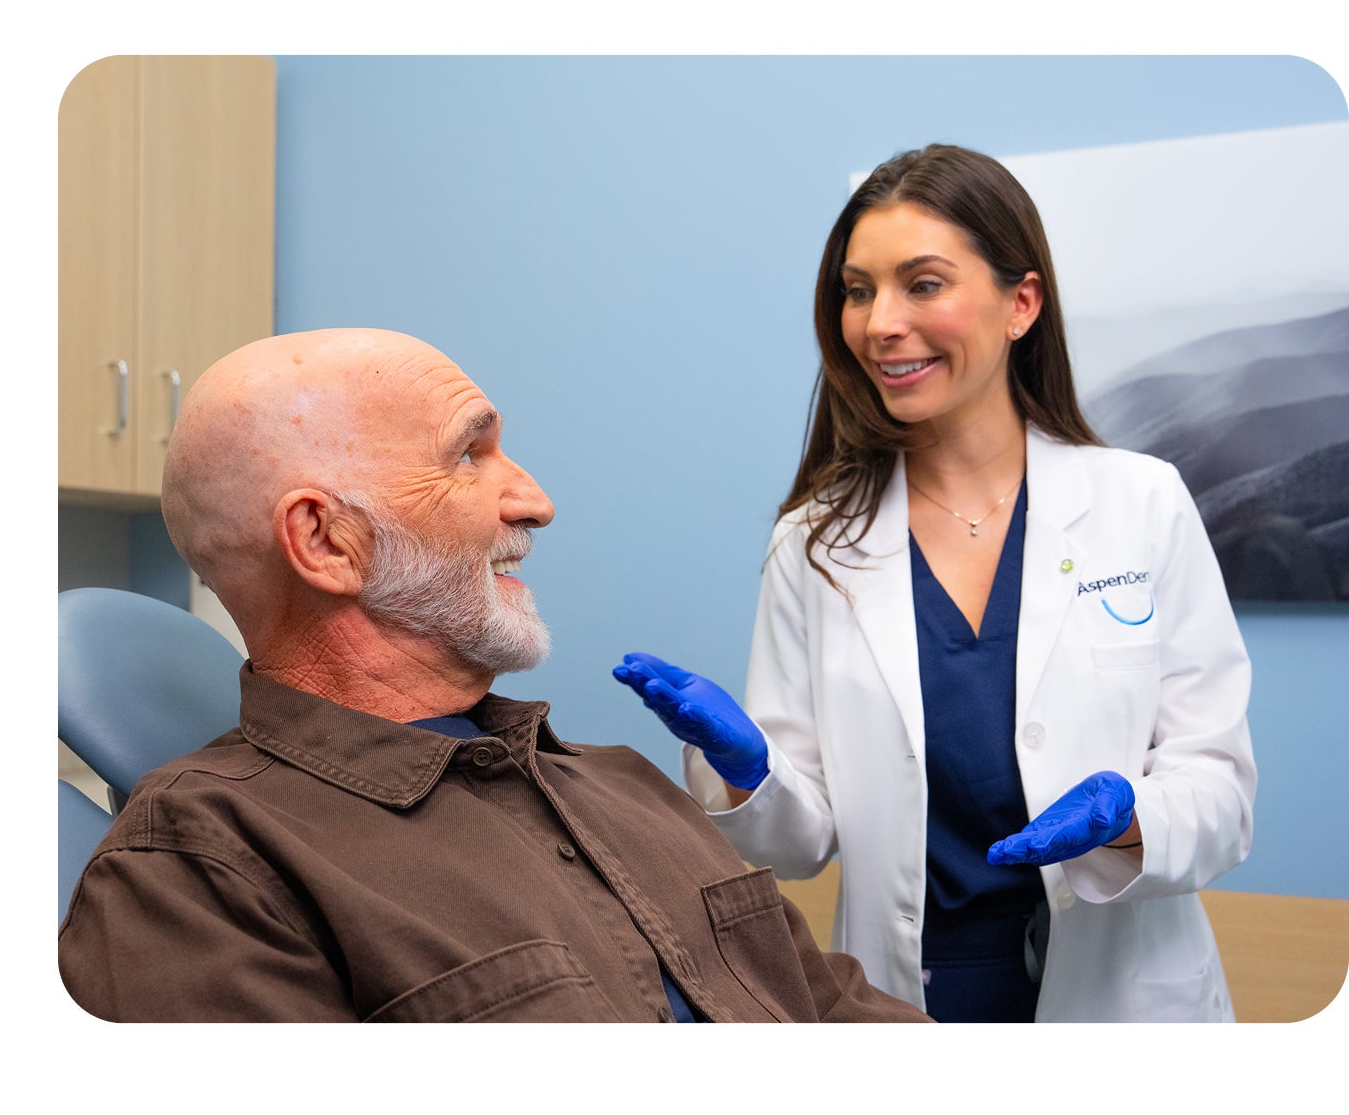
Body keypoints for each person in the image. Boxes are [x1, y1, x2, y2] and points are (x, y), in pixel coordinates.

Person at [57, 327, 929, 1024]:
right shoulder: (201, 871)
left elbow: (831, 1010)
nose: (534, 500)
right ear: (326, 541)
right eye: (468, 456)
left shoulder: (624, 787)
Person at [614, 144, 1256, 1023]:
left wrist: (1130, 817)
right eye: (857, 288)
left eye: (922, 284)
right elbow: (797, 842)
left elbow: (1218, 786)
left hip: (1124, 1005)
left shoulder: (1140, 502)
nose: (879, 323)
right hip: (910, 1002)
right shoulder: (816, 542)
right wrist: (745, 771)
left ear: (1020, 303)